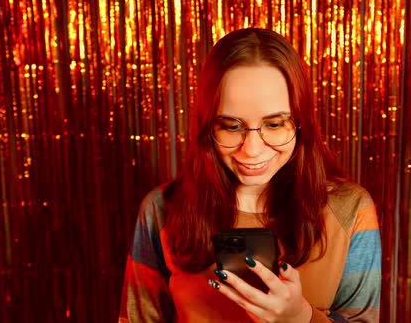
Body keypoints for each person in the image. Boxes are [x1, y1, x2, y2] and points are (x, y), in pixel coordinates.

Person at [119, 28, 381, 322]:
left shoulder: (351, 209)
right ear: (208, 127)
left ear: (300, 122)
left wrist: (300, 317)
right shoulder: (160, 209)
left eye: (274, 124)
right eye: (231, 126)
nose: (252, 150)